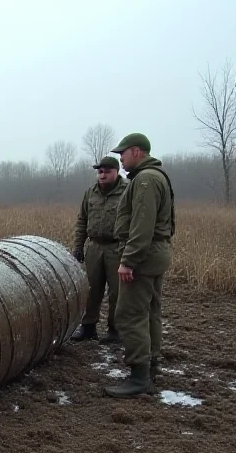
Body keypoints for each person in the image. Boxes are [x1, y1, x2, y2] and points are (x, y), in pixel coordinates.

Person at [105, 133, 175, 398]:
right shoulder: (157, 176)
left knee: (130, 314)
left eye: (122, 153)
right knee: (150, 312)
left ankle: (138, 377)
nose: (120, 159)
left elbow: (142, 224)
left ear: (136, 152)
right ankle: (150, 366)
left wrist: (128, 261)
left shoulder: (145, 180)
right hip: (155, 252)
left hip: (143, 257)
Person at [70, 156, 127, 344]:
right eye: (100, 172)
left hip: (117, 247)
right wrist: (78, 247)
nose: (102, 175)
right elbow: (82, 221)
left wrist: (129, 252)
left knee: (117, 291)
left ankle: (115, 330)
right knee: (91, 289)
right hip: (94, 246)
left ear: (116, 172)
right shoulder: (90, 193)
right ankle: (88, 327)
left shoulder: (127, 191)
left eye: (107, 171)